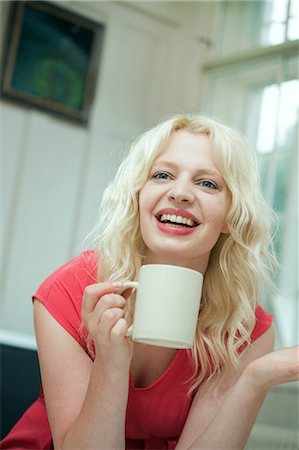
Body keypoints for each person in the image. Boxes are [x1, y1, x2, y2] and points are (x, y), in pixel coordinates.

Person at [2, 114, 298, 450]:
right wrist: (111, 362)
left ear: (232, 216)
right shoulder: (71, 291)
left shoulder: (247, 331)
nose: (181, 193)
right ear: (139, 197)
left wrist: (255, 380)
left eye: (207, 183)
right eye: (162, 175)